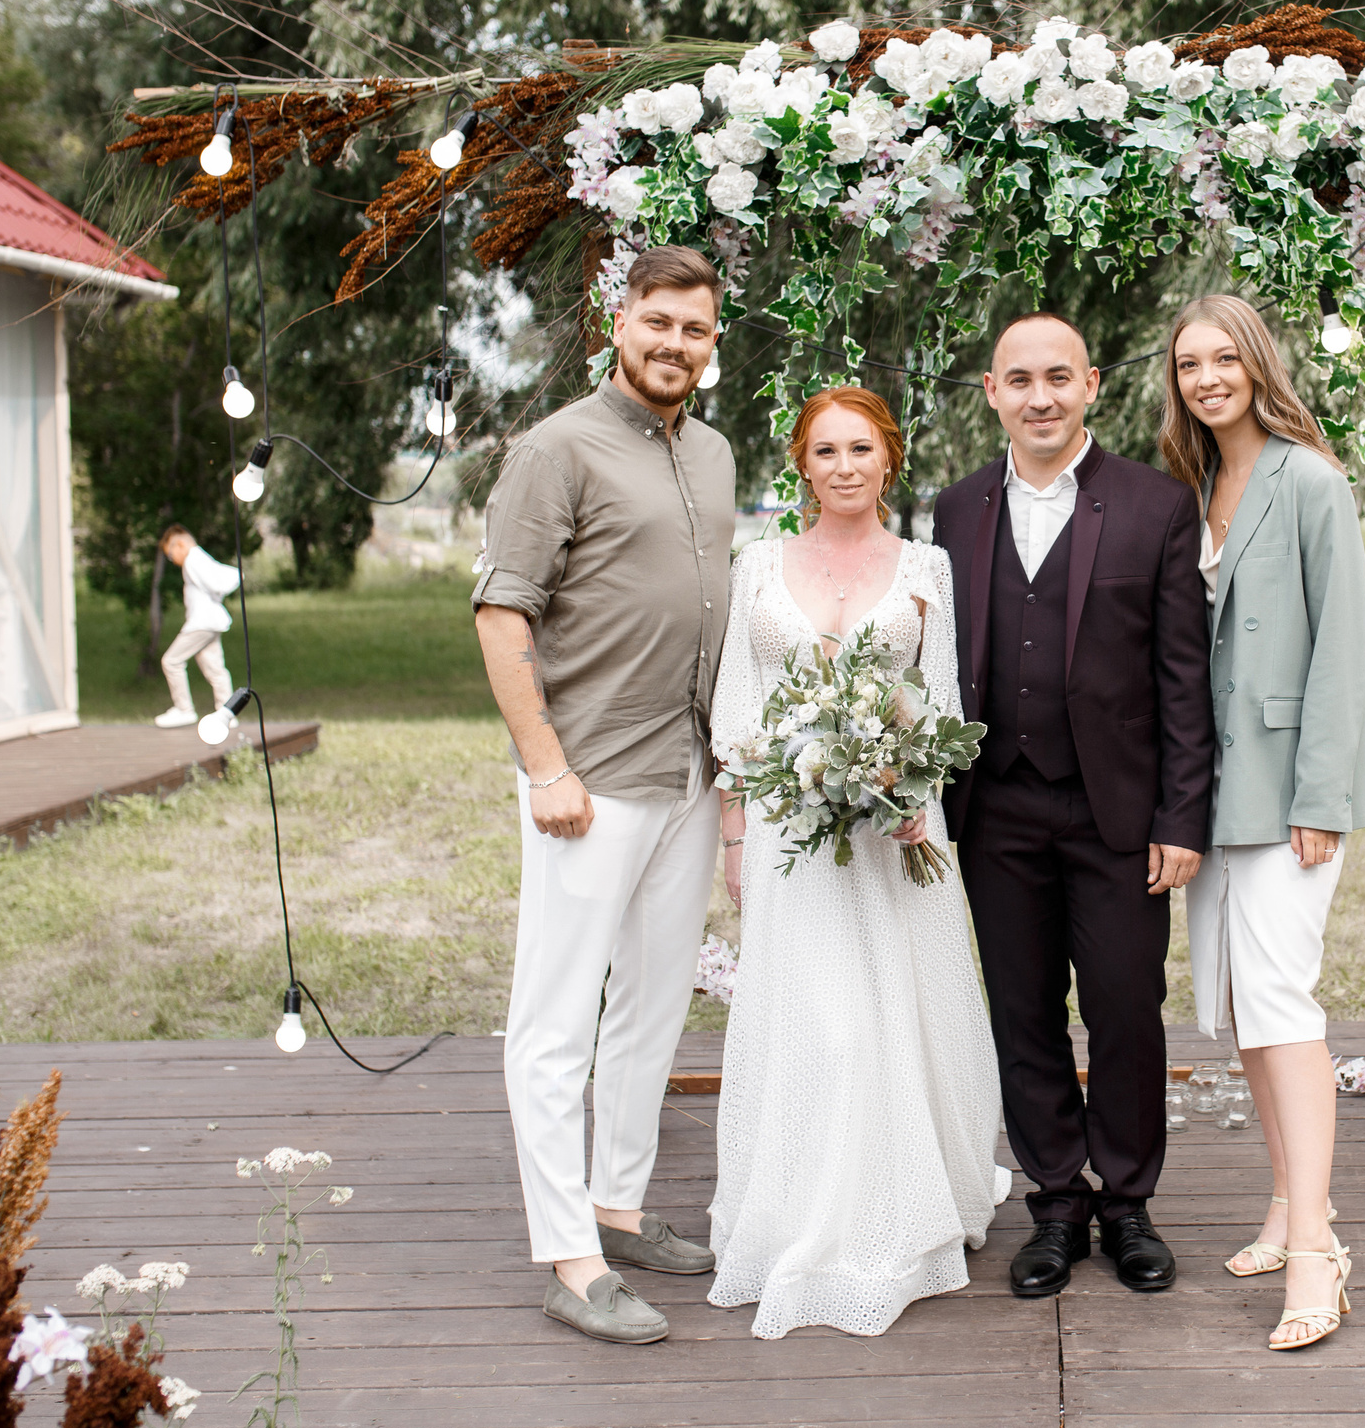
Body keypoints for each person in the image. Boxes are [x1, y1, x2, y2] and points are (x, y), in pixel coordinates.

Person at [469, 246, 733, 1346]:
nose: (676, 344)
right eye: (658, 322)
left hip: (687, 769)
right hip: (591, 776)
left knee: (654, 1003)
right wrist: (546, 766)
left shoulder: (713, 451)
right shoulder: (555, 447)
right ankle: (570, 1258)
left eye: (696, 330)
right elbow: (501, 613)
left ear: (713, 342)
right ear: (619, 321)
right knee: (553, 1020)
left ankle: (619, 1208)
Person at [706, 386, 1009, 1339]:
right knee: (817, 1023)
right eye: (827, 449)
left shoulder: (927, 566)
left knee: (892, 1012)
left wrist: (917, 797)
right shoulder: (758, 563)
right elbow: (737, 704)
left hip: (894, 829)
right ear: (801, 461)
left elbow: (942, 695)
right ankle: (804, 1215)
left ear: (890, 459)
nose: (845, 465)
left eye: (862, 449)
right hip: (793, 833)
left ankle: (901, 1201)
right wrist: (736, 832)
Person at [932, 312, 1216, 1300]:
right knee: (1021, 1009)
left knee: (1126, 1006)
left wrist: (1182, 817)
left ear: (1091, 383)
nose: (1039, 396)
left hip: (1120, 814)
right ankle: (1055, 1198)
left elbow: (1184, 680)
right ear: (991, 391)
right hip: (995, 808)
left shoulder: (1155, 507)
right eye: (1020, 379)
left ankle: (1127, 1200)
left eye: (1058, 376)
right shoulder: (953, 509)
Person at [1159, 294, 1365, 1351]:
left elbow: (1341, 648)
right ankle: (1291, 1204)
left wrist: (1323, 801)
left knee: (1282, 1004)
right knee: (1242, 1010)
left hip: (1290, 795)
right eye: (1189, 364)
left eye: (1222, 359)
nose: (1206, 379)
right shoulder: (1191, 485)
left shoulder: (1310, 480)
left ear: (1256, 364)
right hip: (1211, 796)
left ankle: (1316, 1256)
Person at [153, 526, 240, 729]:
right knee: (215, 669)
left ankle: (184, 710)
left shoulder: (193, 559)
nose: (172, 559)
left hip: (202, 623)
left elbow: (217, 583)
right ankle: (227, 714)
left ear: (180, 544)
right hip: (211, 622)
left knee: (171, 661)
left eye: (170, 554)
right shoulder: (199, 558)